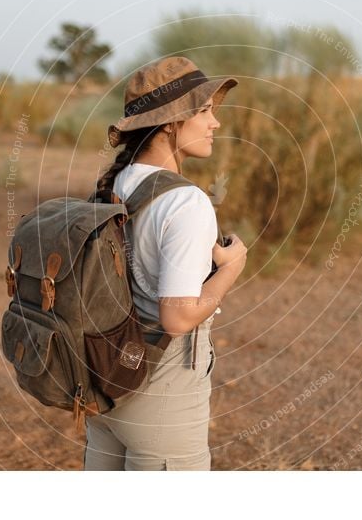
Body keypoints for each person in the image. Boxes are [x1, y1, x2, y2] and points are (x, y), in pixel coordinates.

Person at [85, 56, 247, 471]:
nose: (216, 123)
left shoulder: (115, 184)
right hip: (161, 400)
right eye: (205, 110)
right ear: (172, 121)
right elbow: (176, 319)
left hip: (105, 390)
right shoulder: (185, 201)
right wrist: (231, 268)